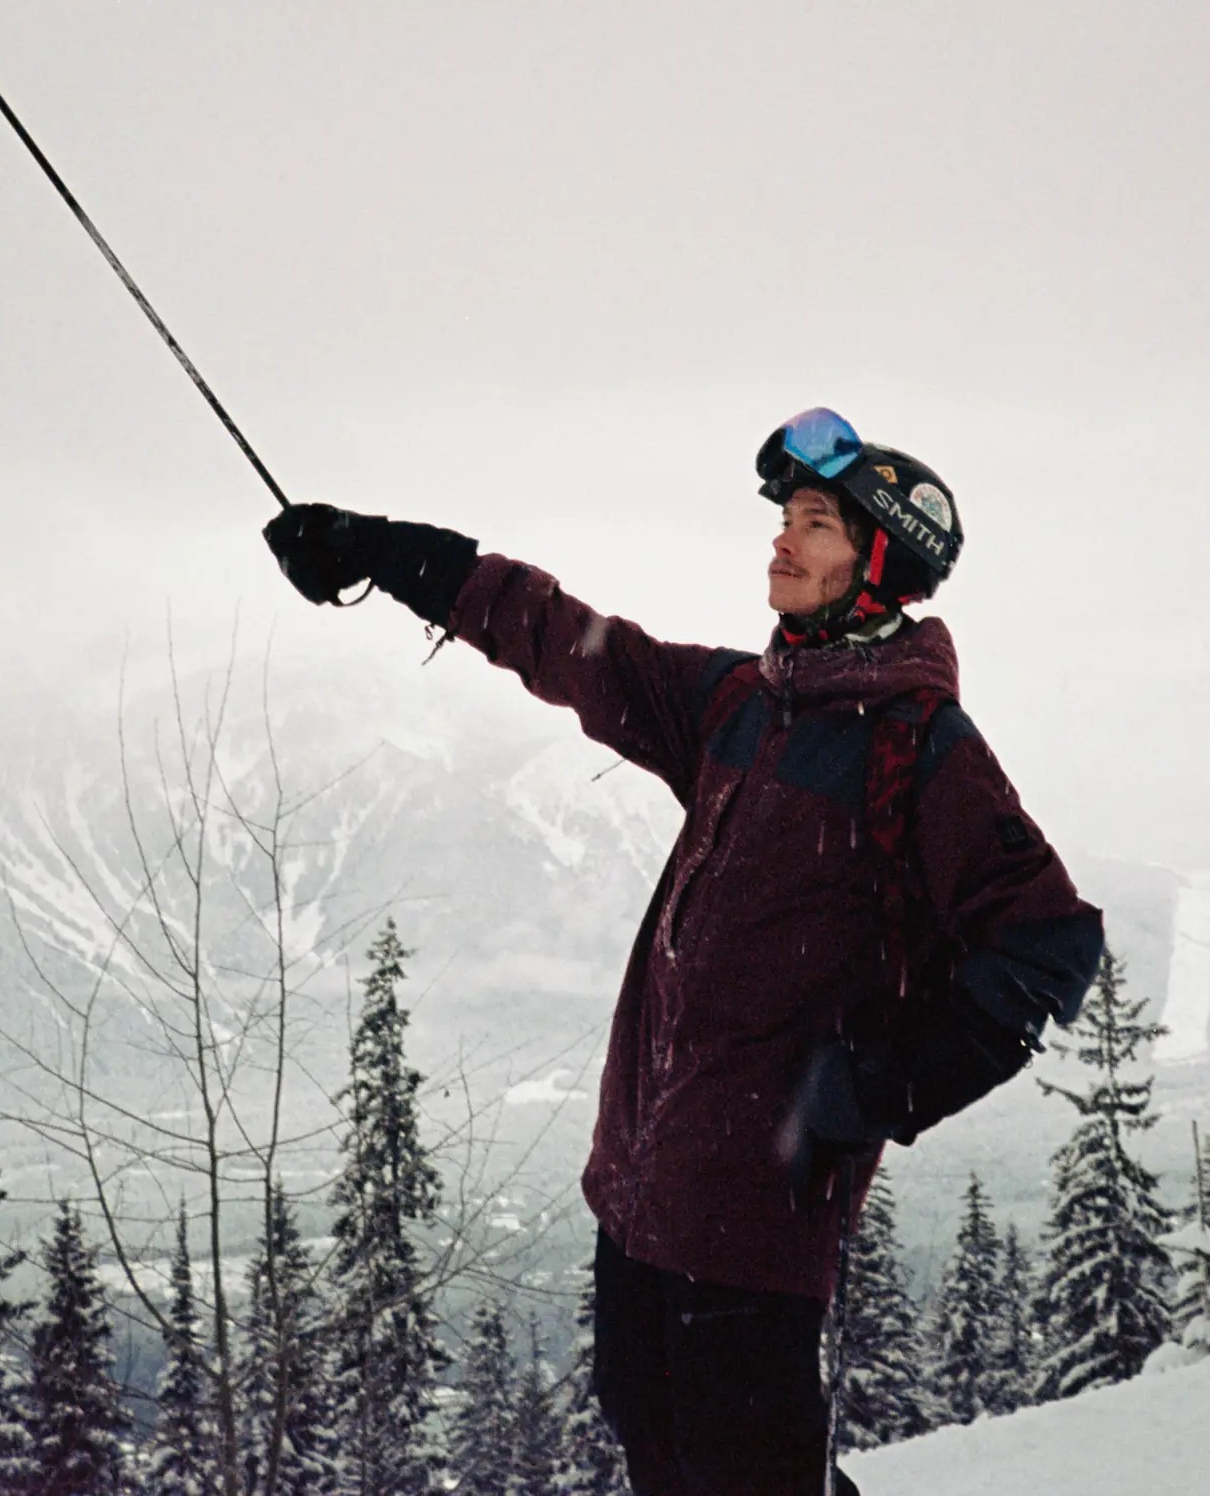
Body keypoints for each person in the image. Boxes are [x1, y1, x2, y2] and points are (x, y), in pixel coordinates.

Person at [265, 407, 1102, 1496]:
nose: (782, 540)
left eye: (816, 522)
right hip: (643, 1191)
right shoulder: (739, 705)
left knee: (746, 1470)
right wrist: (380, 550)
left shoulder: (920, 746)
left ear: (879, 563)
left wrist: (885, 1085)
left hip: (758, 1221)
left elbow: (1047, 943)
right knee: (653, 1435)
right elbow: (559, 633)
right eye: (786, 517)